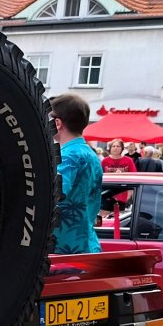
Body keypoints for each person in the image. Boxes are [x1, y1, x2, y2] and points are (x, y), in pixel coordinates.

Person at [49, 93, 102, 254]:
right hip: (87, 244)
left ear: (57, 123)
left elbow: (53, 196)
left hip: (64, 250)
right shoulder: (92, 155)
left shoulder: (67, 156)